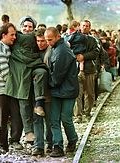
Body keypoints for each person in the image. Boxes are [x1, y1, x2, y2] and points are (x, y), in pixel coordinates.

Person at [0, 15, 48, 145]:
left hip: (19, 80)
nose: (27, 28)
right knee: (8, 115)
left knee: (19, 113)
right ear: (21, 27)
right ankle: (7, 144)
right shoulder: (8, 41)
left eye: (30, 27)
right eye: (25, 26)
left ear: (34, 28)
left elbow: (48, 38)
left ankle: (19, 139)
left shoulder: (32, 38)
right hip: (7, 84)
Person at [0, 23, 23, 155]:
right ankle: (3, 146)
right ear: (3, 35)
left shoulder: (7, 47)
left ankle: (14, 140)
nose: (14, 37)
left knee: (16, 114)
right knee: (1, 119)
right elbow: (5, 73)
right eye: (12, 35)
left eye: (15, 34)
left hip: (8, 89)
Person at [44, 27, 79, 157]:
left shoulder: (62, 51)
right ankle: (58, 145)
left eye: (50, 39)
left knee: (65, 118)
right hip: (58, 90)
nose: (48, 42)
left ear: (58, 36)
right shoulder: (57, 48)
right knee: (54, 119)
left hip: (67, 90)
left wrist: (47, 84)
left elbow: (57, 77)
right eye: (47, 40)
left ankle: (72, 140)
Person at [31, 28, 53, 156]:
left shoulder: (51, 52)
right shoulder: (33, 52)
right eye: (38, 41)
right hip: (35, 93)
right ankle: (38, 146)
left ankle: (49, 143)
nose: (40, 43)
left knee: (49, 120)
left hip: (49, 93)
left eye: (43, 41)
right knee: (37, 119)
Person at [75, 20, 99, 123]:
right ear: (80, 27)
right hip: (76, 70)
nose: (85, 27)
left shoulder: (93, 40)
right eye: (83, 26)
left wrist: (83, 56)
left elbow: (95, 53)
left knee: (89, 93)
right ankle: (78, 115)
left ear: (89, 28)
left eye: (87, 26)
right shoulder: (74, 38)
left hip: (89, 69)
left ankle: (87, 112)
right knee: (77, 94)